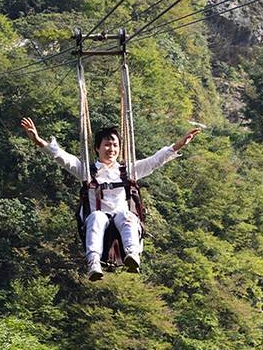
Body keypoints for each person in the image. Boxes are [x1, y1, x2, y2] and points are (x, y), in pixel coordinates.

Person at [21, 118, 199, 280]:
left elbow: (154, 161)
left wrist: (178, 145)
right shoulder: (87, 171)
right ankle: (94, 262)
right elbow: (62, 157)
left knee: (127, 216)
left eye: (115, 145)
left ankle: (132, 254)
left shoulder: (127, 171)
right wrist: (38, 140)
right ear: (97, 148)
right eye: (107, 145)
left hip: (121, 219)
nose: (111, 149)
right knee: (97, 217)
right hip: (98, 220)